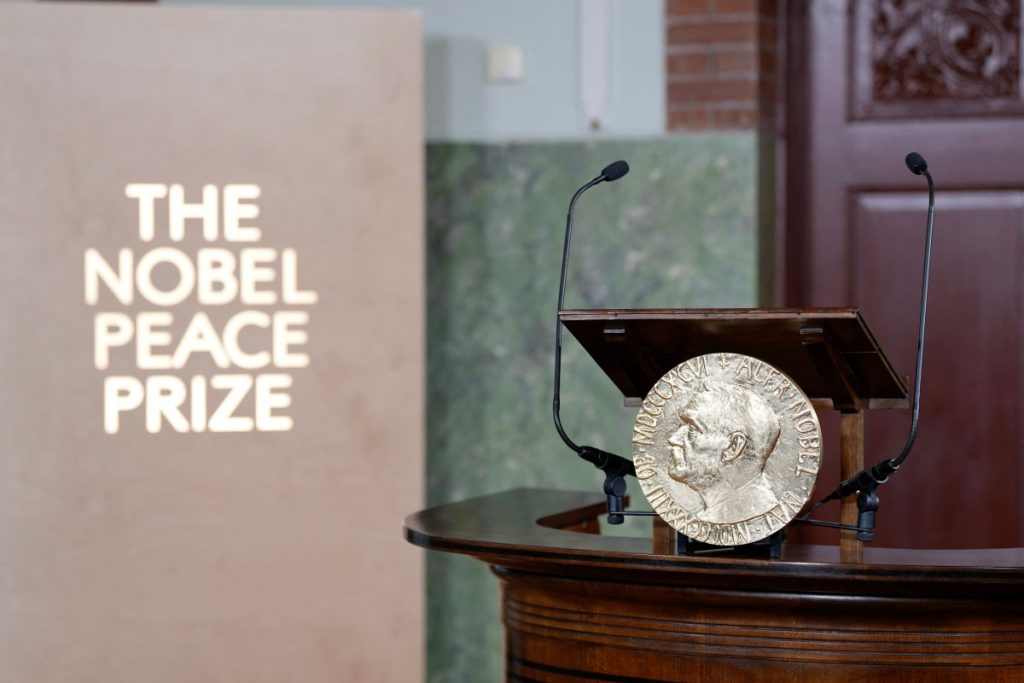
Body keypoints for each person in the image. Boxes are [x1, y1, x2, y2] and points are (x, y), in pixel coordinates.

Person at [667, 379, 782, 524]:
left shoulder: (753, 510)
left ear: (733, 447)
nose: (673, 439)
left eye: (692, 430)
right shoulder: (714, 513)